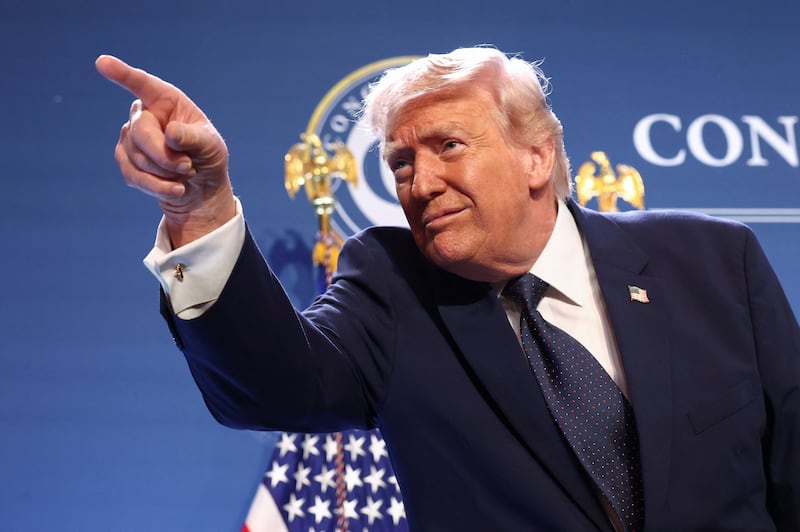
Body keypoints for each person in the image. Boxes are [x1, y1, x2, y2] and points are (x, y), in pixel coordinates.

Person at [96, 47, 800, 531]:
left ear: (537, 155)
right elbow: (270, 387)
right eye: (401, 162)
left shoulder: (711, 260)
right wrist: (201, 209)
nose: (419, 184)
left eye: (448, 148)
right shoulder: (393, 285)